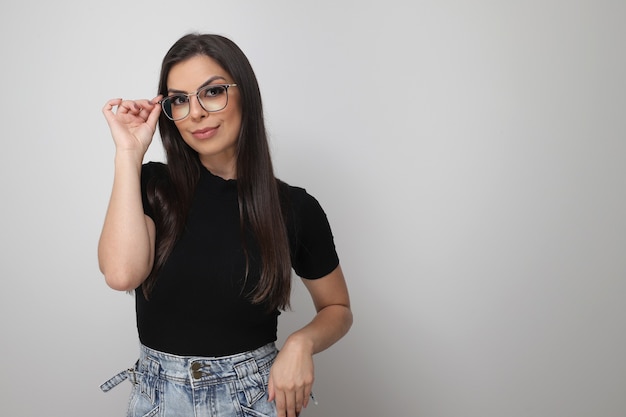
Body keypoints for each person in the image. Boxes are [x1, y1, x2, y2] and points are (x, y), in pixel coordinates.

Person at [97, 33, 352, 417]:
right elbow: (120, 274)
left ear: (245, 94)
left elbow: (337, 307)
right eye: (179, 100)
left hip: (255, 398)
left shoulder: (295, 208)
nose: (195, 112)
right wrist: (129, 153)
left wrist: (301, 343)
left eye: (212, 92)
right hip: (159, 401)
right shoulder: (152, 186)